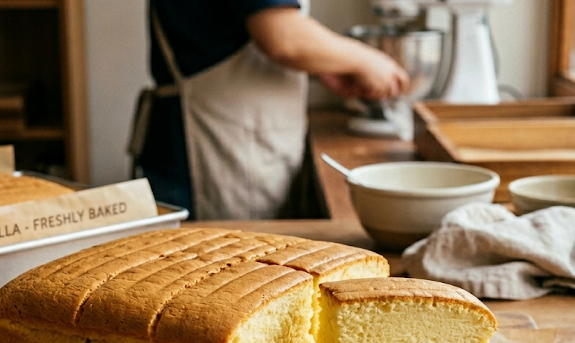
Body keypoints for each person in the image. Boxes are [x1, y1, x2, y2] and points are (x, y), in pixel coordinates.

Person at [129, 0, 411, 220]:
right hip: (203, 150)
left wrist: (324, 62)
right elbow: (283, 36)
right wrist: (366, 60)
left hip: (207, 140)